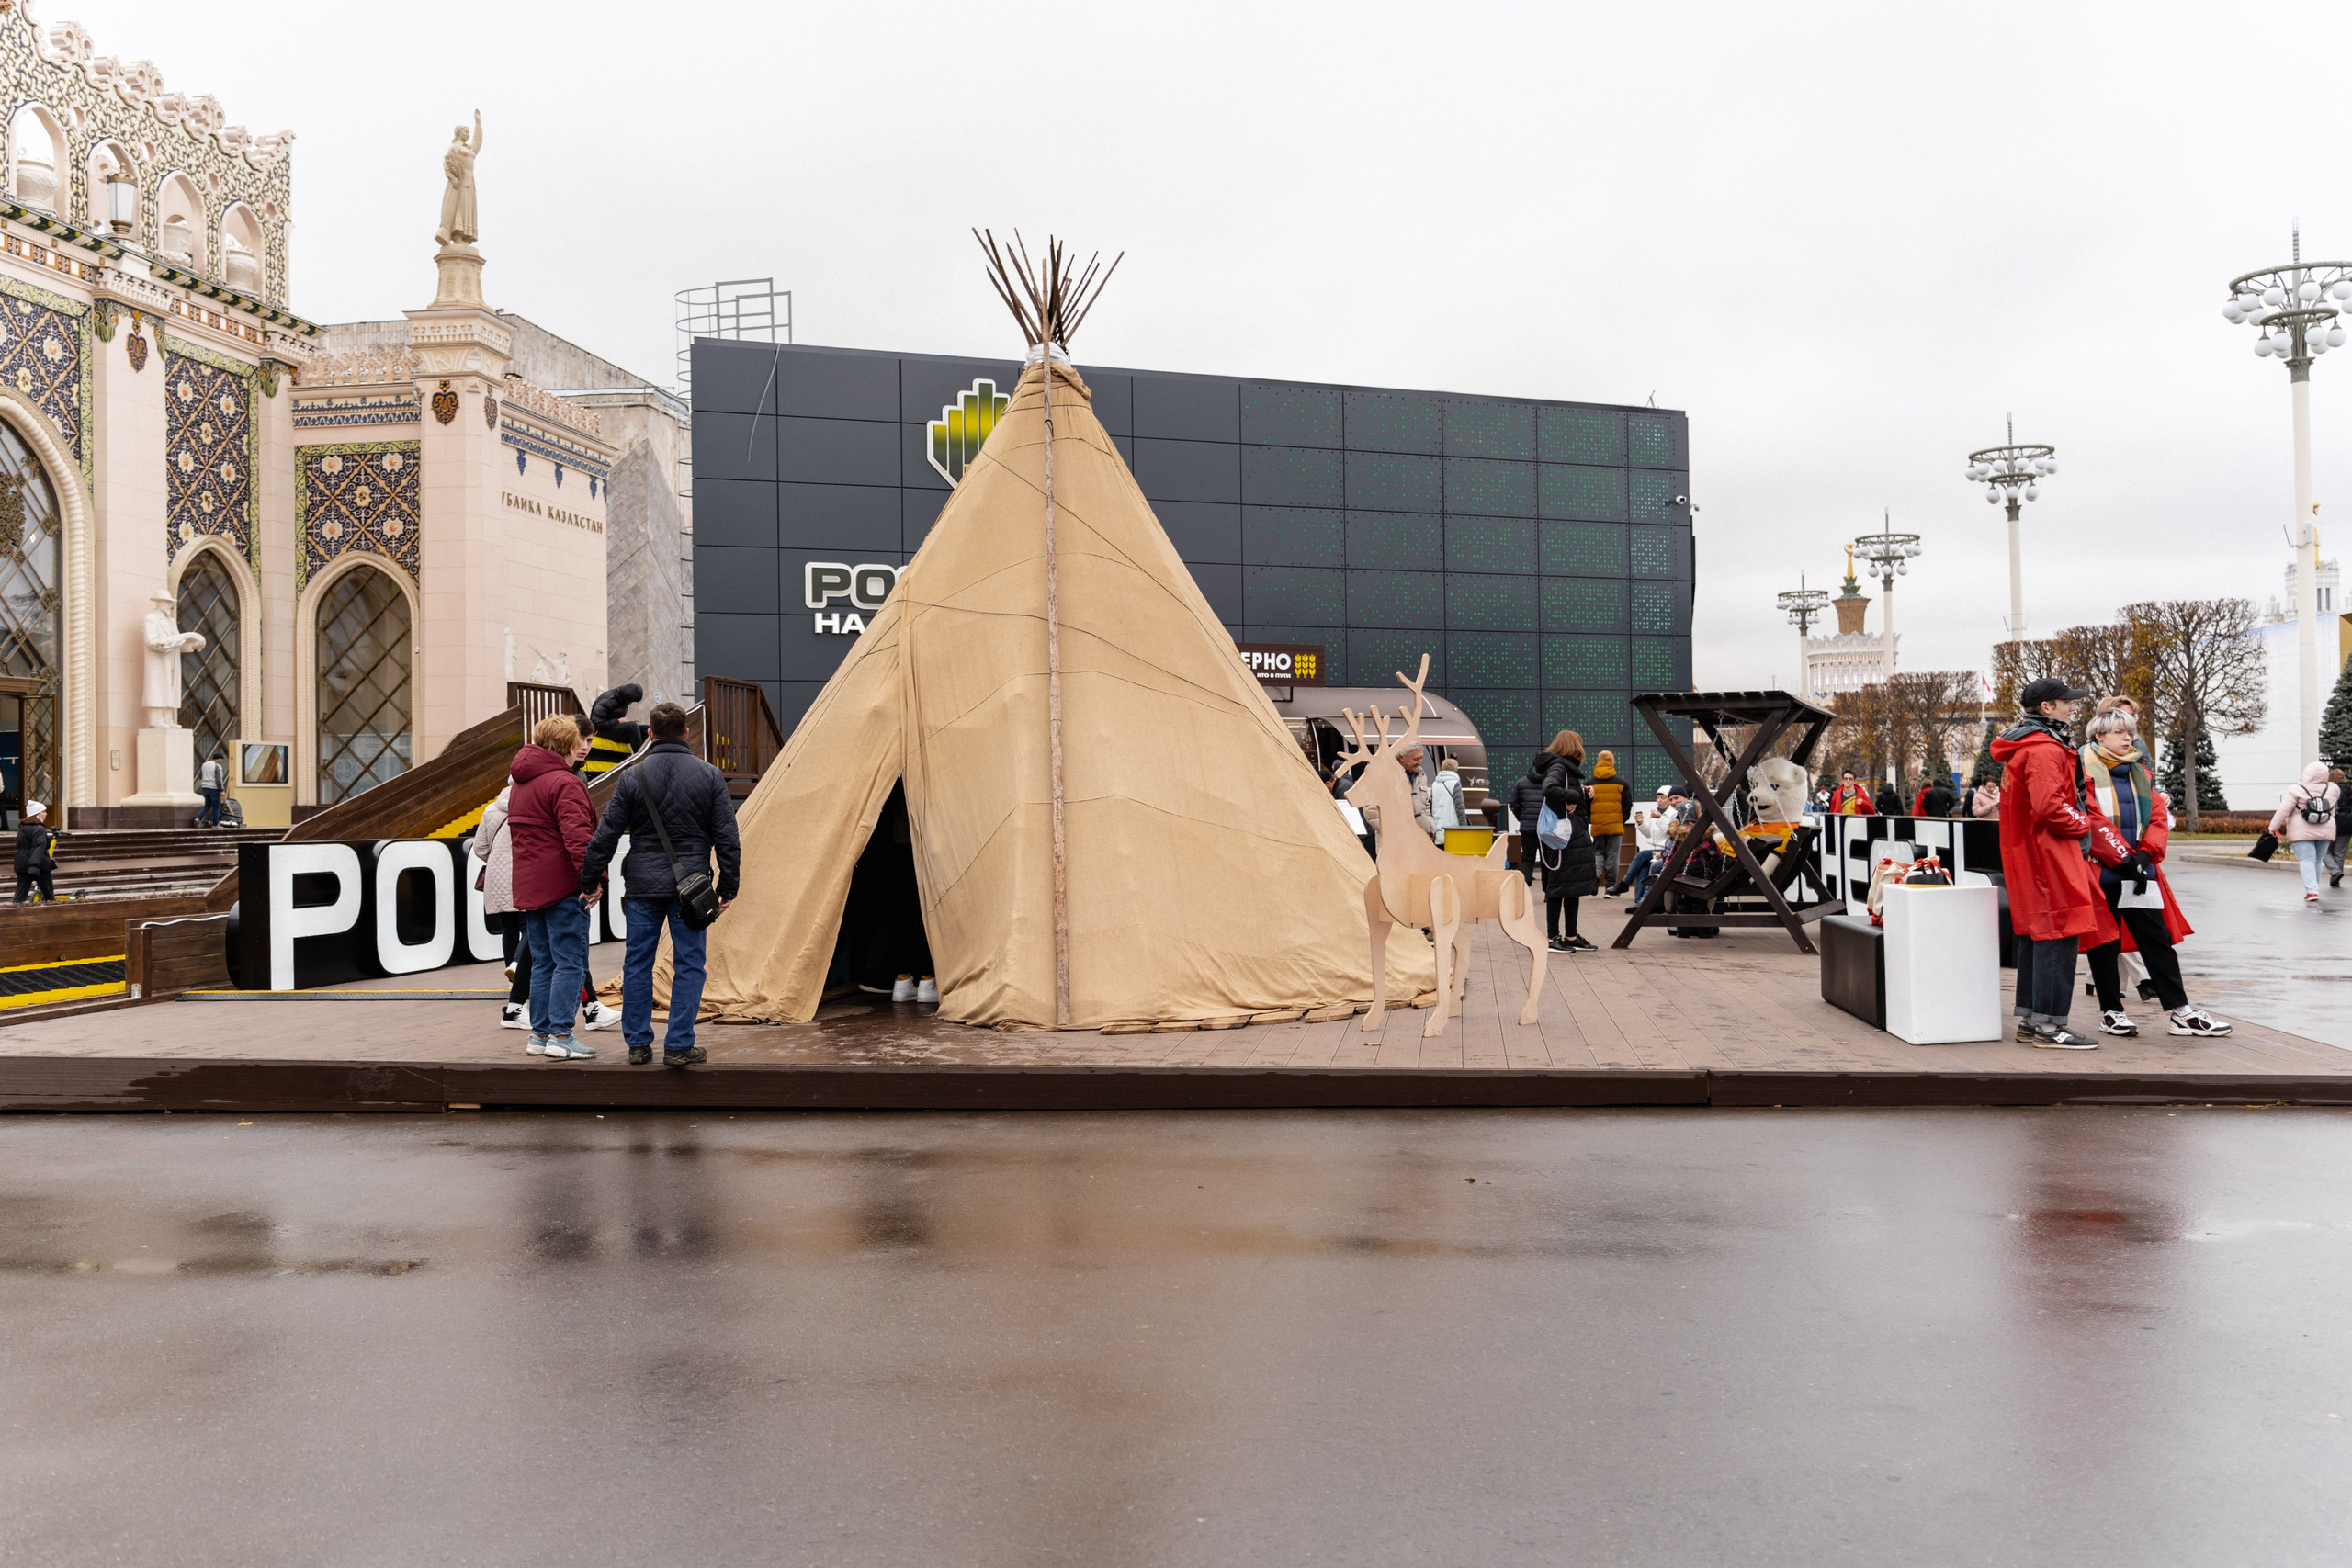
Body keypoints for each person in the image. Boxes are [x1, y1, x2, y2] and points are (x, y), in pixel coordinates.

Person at [580, 702, 741, 1066]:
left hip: (641, 885)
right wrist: (729, 886)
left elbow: (604, 836)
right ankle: (679, 1044)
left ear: (649, 734)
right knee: (689, 963)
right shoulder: (710, 775)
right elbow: (727, 838)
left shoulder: (632, 778)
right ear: (686, 733)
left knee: (637, 963)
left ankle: (638, 1044)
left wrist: (590, 880)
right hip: (693, 887)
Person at [1989, 678, 2132, 1049]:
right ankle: (2050, 1027)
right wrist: (2084, 824)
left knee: (2038, 935)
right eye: (2064, 702)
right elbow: (2050, 807)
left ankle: (2032, 1021)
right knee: (2059, 932)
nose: (2072, 707)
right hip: (2049, 855)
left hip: (2032, 854)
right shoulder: (2043, 748)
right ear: (2046, 708)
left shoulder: (2026, 744)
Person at [2075, 706, 2230, 1038]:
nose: (2127, 736)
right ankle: (2111, 1012)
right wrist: (2124, 857)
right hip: (2101, 873)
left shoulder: (2139, 772)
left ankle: (2181, 1012)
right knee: (2105, 946)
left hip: (2139, 873)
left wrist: (2144, 855)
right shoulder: (2081, 770)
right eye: (2119, 731)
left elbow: (2158, 817)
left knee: (2157, 942)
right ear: (2098, 735)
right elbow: (2091, 819)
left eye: (2129, 731)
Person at [507, 715, 599, 1060]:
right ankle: (561, 1035)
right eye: (578, 740)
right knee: (570, 961)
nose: (582, 746)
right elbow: (579, 838)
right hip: (563, 886)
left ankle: (540, 1034)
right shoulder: (565, 782)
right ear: (567, 744)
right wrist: (592, 881)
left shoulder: (521, 782)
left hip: (530, 886)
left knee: (544, 962)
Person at [1533, 731, 1596, 952]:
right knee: (1559, 887)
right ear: (1574, 747)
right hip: (1564, 837)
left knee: (1572, 887)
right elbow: (1549, 789)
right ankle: (1552, 938)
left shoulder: (1565, 768)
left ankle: (1571, 935)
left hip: (1572, 835)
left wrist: (1583, 793)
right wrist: (1575, 794)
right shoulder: (1559, 767)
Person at [2270, 761, 2344, 906]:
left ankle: (2312, 891)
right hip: (2325, 828)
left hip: (2301, 830)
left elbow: (2284, 810)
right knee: (2317, 860)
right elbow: (2332, 809)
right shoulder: (2333, 789)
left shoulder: (2295, 790)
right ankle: (2314, 889)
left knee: (2306, 860)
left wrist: (2273, 827)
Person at [1608, 784, 1675, 902]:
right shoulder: (1655, 812)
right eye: (1657, 798)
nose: (1659, 801)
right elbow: (1650, 834)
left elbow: (1670, 832)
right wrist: (1641, 824)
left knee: (1642, 855)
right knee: (1643, 868)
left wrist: (1660, 818)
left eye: (1663, 798)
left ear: (1669, 800)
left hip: (1664, 849)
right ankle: (1639, 901)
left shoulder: (1673, 814)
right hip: (1653, 849)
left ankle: (1625, 883)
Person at [582, 682, 648, 778]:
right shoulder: (608, 699)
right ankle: (640, 760)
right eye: (630, 701)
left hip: (612, 728)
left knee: (646, 729)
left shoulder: (622, 700)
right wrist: (617, 721)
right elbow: (596, 723)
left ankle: (648, 757)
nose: (630, 703)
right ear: (626, 697)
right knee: (632, 726)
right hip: (601, 731)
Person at [1588, 750, 1627, 892]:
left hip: (1597, 825)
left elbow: (1586, 806)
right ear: (1612, 762)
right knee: (1613, 855)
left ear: (1598, 761)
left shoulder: (1590, 783)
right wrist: (1621, 820)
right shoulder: (1621, 783)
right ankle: (1610, 887)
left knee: (1597, 852)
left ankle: (1596, 874)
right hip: (1615, 825)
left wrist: (1592, 819)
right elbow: (1626, 805)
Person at [14, 798, 56, 903]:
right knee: (49, 896)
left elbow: (20, 845)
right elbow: (39, 847)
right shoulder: (39, 829)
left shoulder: (23, 828)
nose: (45, 814)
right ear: (36, 814)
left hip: (22, 864)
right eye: (43, 811)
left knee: (19, 896)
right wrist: (34, 865)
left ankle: (13, 916)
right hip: (40, 866)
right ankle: (52, 916)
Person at [2327, 768, 2349, 888]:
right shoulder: (2350, 789)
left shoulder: (2332, 791)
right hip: (2348, 825)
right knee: (2339, 853)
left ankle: (2335, 872)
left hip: (2334, 823)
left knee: (2325, 850)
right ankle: (2335, 879)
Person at [196, 750, 227, 828]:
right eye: (221, 759)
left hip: (205, 787)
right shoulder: (217, 766)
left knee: (207, 805)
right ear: (218, 759)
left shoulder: (204, 765)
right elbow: (218, 780)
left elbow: (200, 776)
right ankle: (215, 824)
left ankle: (198, 818)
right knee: (216, 806)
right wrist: (222, 790)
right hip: (214, 788)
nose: (221, 761)